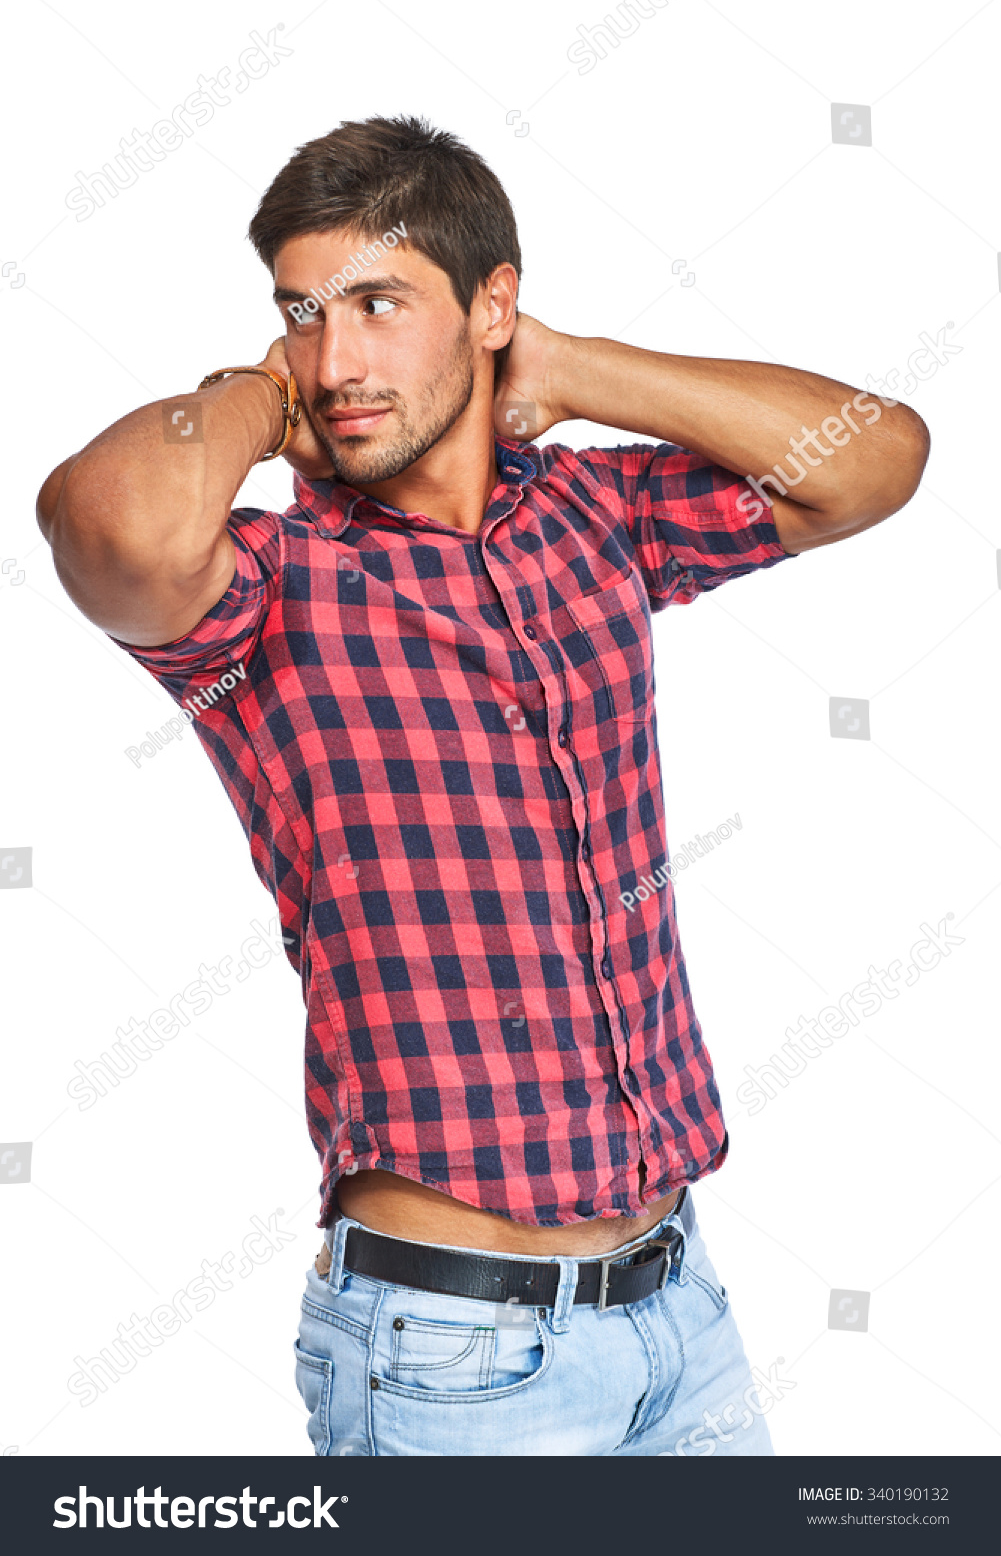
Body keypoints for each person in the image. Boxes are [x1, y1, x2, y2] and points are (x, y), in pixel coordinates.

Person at [37, 115, 929, 1456]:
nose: (336, 358)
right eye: (303, 313)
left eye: (377, 305)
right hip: (447, 1358)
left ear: (489, 303)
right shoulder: (272, 593)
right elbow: (113, 525)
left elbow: (868, 456)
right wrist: (260, 392)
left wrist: (564, 368)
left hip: (676, 1304)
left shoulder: (591, 520)